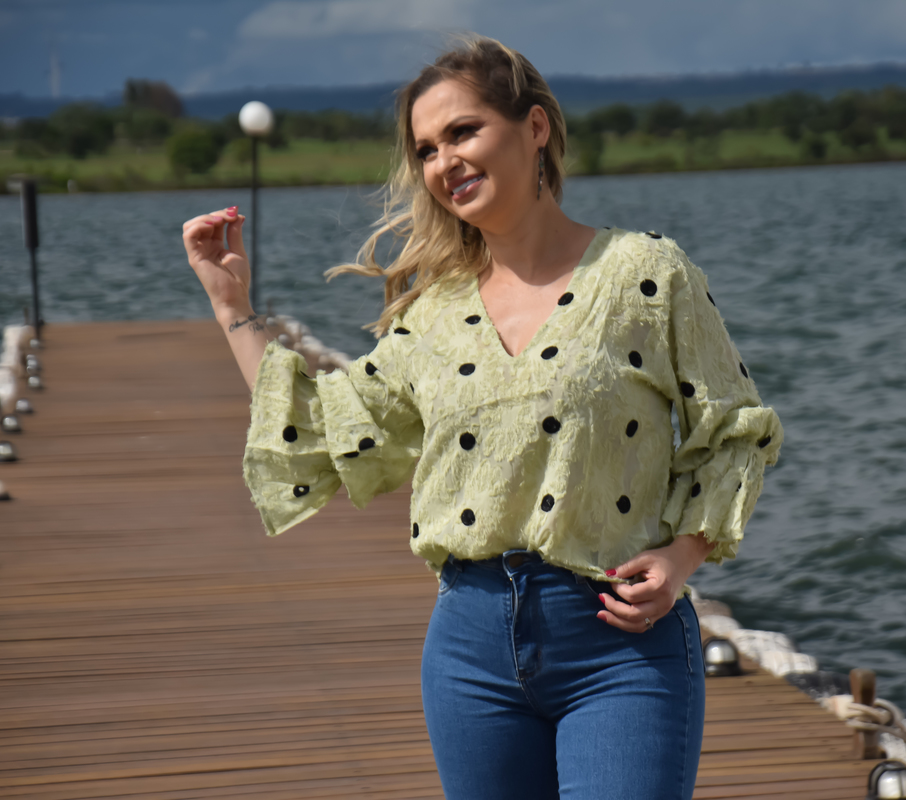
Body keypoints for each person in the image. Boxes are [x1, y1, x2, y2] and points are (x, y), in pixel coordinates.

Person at [182, 35, 782, 800]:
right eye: (426, 150)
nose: (444, 162)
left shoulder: (644, 273)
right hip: (470, 655)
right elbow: (320, 429)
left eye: (462, 132)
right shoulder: (431, 316)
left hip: (620, 644)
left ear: (534, 128)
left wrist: (683, 557)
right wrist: (231, 306)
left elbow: (733, 429)